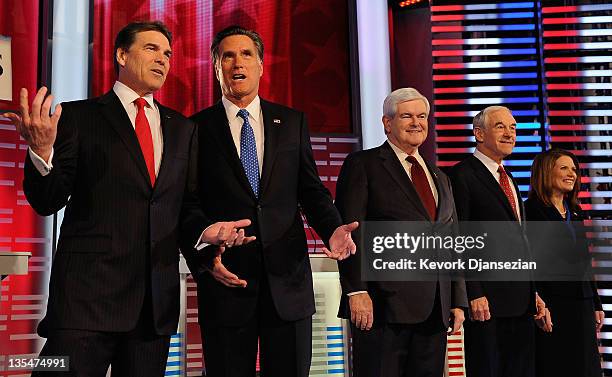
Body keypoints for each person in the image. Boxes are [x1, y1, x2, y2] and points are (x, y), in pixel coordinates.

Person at [3, 21, 253, 376]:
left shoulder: (183, 129)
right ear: (121, 54)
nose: (163, 59)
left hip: (153, 310)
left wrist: (205, 240)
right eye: (151, 49)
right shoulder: (79, 116)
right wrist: (42, 152)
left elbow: (184, 208)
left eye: (167, 53)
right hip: (85, 305)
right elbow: (48, 200)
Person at [184, 25, 358, 377]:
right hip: (227, 280)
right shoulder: (195, 128)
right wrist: (204, 256)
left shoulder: (292, 122)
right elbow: (187, 203)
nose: (238, 63)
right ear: (216, 67)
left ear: (261, 65)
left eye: (246, 54)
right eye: (227, 55)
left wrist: (332, 229)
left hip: (288, 282)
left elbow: (310, 190)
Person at [334, 88, 467, 377]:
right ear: (387, 123)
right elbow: (349, 234)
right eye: (407, 116)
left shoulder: (440, 177)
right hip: (382, 309)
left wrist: (457, 299)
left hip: (435, 308)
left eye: (422, 116)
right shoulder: (363, 165)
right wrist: (356, 290)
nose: (416, 122)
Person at [449, 105, 550, 377]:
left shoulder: (510, 178)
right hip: (487, 302)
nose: (510, 133)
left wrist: (534, 292)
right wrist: (473, 291)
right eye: (501, 127)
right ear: (479, 134)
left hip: (520, 302)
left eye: (513, 127)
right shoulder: (461, 176)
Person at [526, 149, 603, 377]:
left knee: (586, 367)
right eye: (564, 168)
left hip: (582, 304)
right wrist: (537, 303)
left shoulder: (576, 212)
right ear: (545, 172)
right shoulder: (530, 212)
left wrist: (596, 303)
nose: (572, 174)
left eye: (574, 170)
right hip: (553, 305)